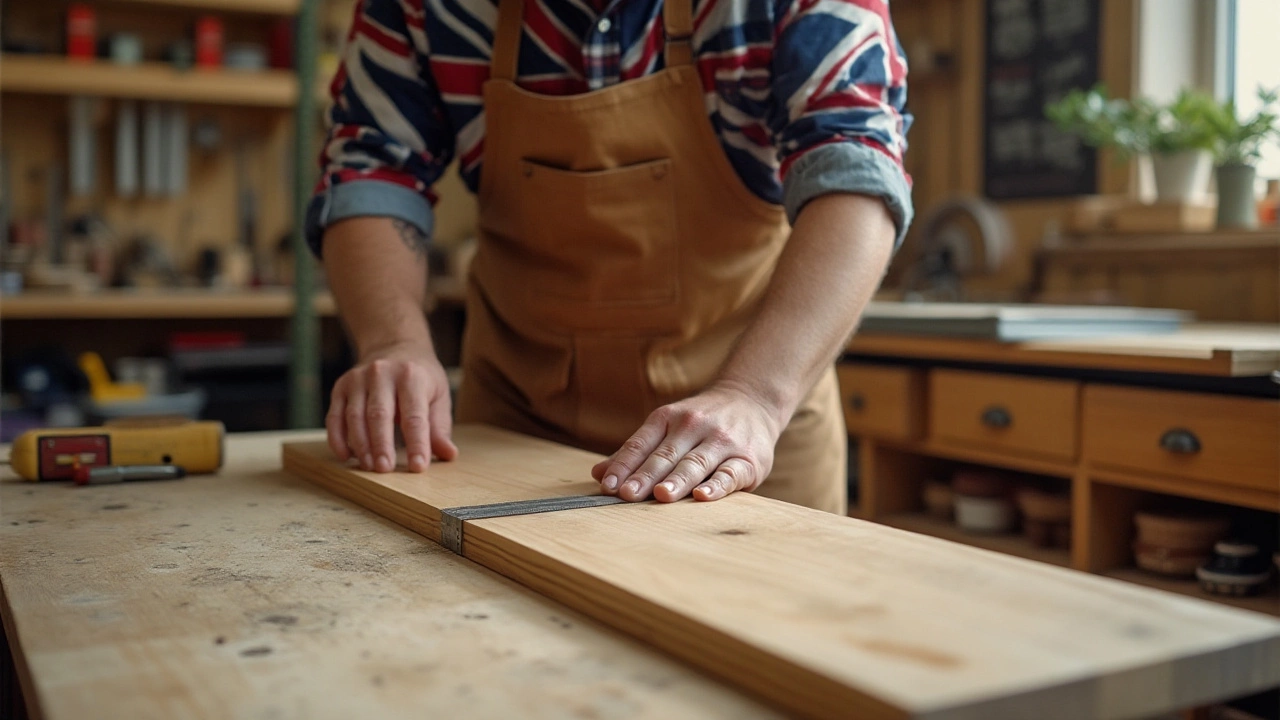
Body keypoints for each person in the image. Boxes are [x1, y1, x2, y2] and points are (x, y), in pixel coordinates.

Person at [307, 0, 913, 515]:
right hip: (511, 432)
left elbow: (855, 170)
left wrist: (755, 395)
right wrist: (393, 341)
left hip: (747, 432)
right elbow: (373, 165)